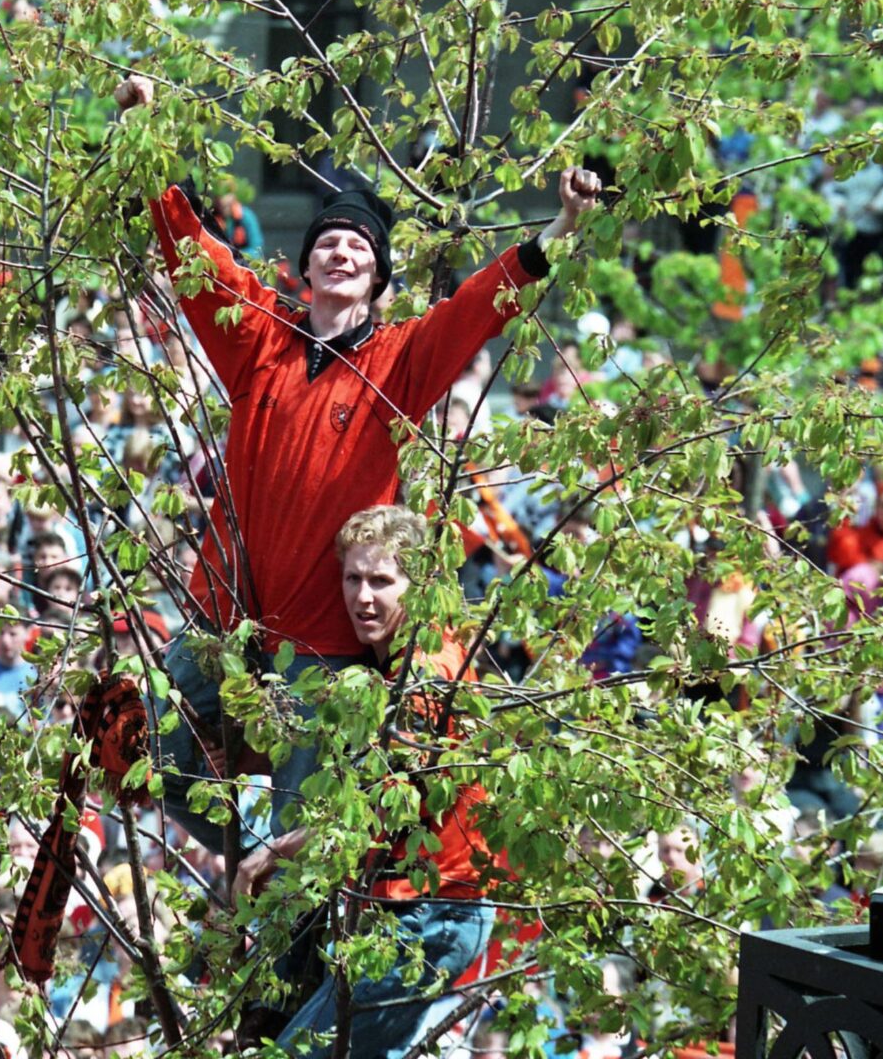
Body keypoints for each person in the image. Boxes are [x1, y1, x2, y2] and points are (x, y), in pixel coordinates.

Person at [115, 72, 600, 844]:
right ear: (305, 268)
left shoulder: (403, 358)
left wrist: (559, 229)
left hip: (324, 639)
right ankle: (245, 868)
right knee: (151, 753)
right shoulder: (258, 337)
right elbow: (193, 255)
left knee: (302, 832)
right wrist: (147, 136)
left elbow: (477, 305)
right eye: (326, 244)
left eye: (357, 247)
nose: (339, 252)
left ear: (376, 278)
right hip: (224, 614)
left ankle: (285, 929)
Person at [232, 506, 497, 1059]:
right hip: (404, 909)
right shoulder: (388, 668)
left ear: (418, 585)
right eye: (353, 578)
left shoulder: (424, 669)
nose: (363, 596)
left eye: (382, 580)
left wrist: (281, 850)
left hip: (433, 911)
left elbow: (391, 802)